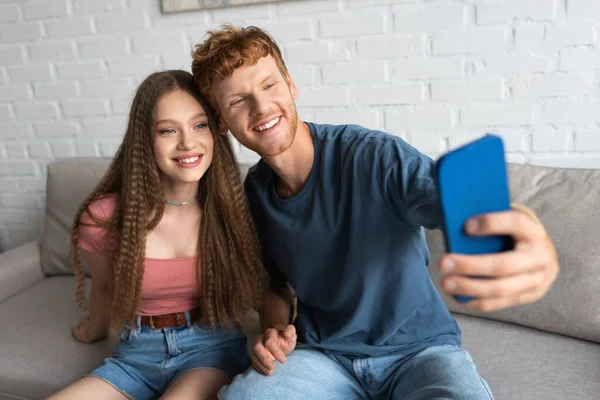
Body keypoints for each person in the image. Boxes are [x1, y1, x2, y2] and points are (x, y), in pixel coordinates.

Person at [190, 25, 560, 399]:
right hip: (324, 357)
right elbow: (275, 284)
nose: (261, 107)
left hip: (419, 351)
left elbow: (452, 204)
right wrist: (272, 329)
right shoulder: (254, 192)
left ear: (290, 84)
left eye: (269, 86)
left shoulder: (374, 156)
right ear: (221, 122)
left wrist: (523, 233)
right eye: (238, 101)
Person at [48, 70, 266, 400]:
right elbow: (105, 286)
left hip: (210, 349)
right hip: (135, 355)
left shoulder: (233, 208)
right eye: (167, 130)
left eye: (199, 125)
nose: (188, 142)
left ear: (216, 130)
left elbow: (267, 284)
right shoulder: (105, 217)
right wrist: (92, 328)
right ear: (145, 140)